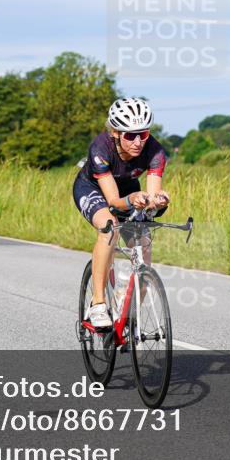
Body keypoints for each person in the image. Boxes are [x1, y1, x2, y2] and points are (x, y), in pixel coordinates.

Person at [73, 97, 170, 328]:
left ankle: (125, 315)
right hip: (94, 188)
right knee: (109, 228)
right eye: (129, 135)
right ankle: (98, 303)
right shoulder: (100, 148)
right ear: (115, 132)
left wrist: (158, 201)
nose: (138, 142)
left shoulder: (155, 151)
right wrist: (133, 199)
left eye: (143, 134)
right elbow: (115, 202)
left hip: (128, 190)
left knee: (144, 244)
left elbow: (152, 197)